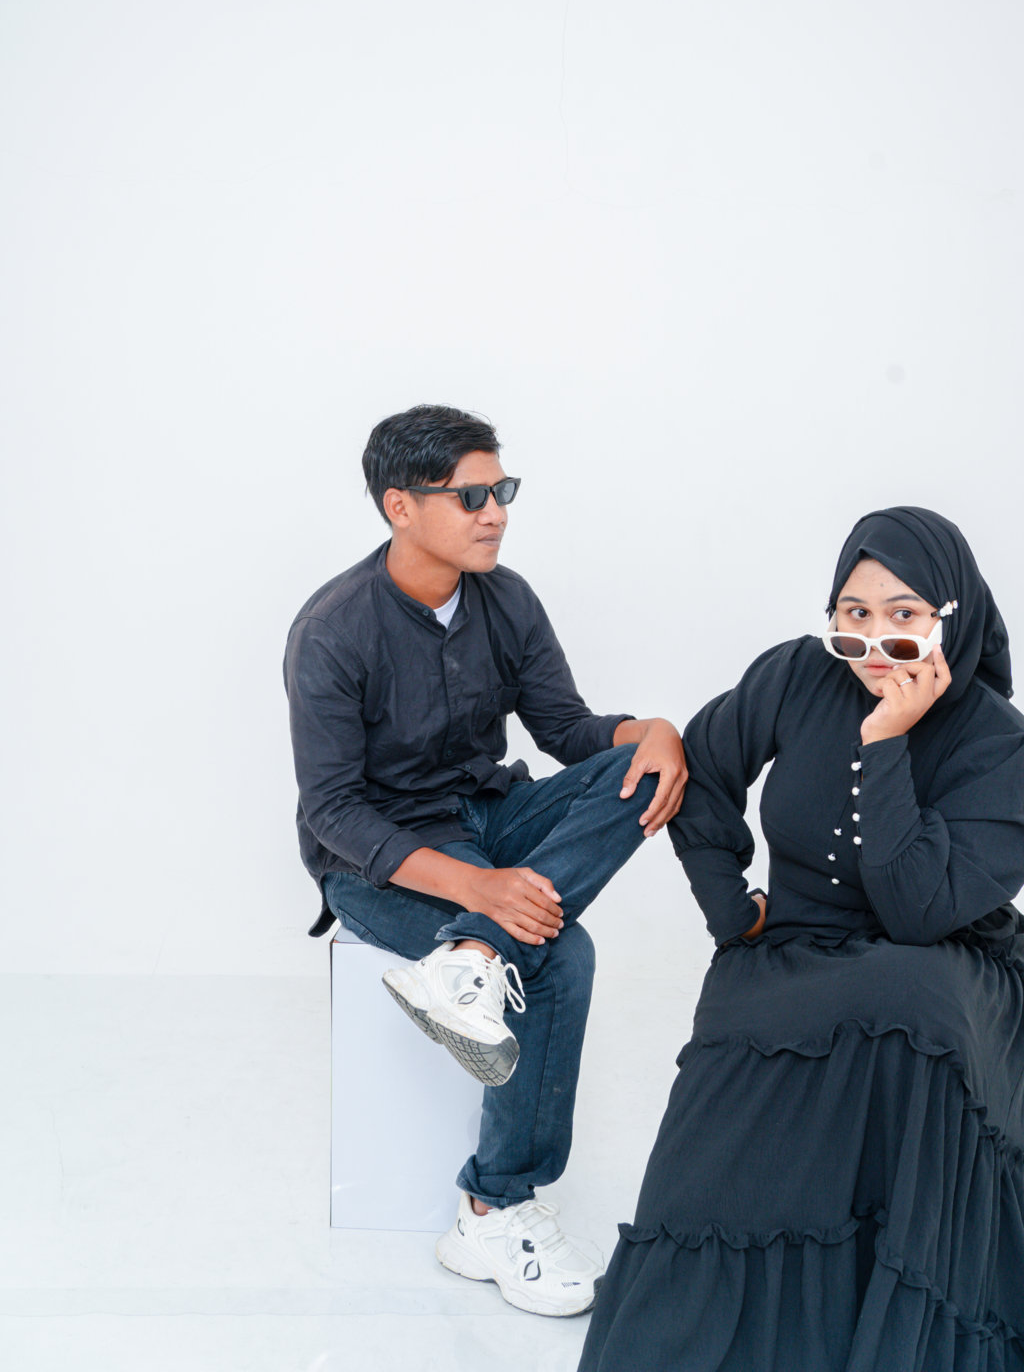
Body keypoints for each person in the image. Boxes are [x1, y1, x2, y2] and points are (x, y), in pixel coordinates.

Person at [579, 506, 1024, 1370]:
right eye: (853, 616)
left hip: (944, 960)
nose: (874, 643)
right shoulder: (795, 673)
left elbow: (919, 912)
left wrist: (885, 742)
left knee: (911, 1004)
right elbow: (702, 769)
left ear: (952, 615)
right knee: (747, 1008)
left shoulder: (998, 741)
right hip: (795, 942)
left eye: (903, 616)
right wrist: (731, 908)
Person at [284, 404, 687, 1318]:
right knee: (560, 954)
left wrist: (652, 730)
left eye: (501, 489)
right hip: (380, 862)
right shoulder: (333, 630)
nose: (495, 511)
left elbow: (568, 731)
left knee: (643, 770)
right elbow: (333, 811)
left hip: (490, 813)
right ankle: (493, 1211)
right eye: (471, 496)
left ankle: (471, 958)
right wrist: (477, 890)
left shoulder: (506, 598)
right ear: (399, 505)